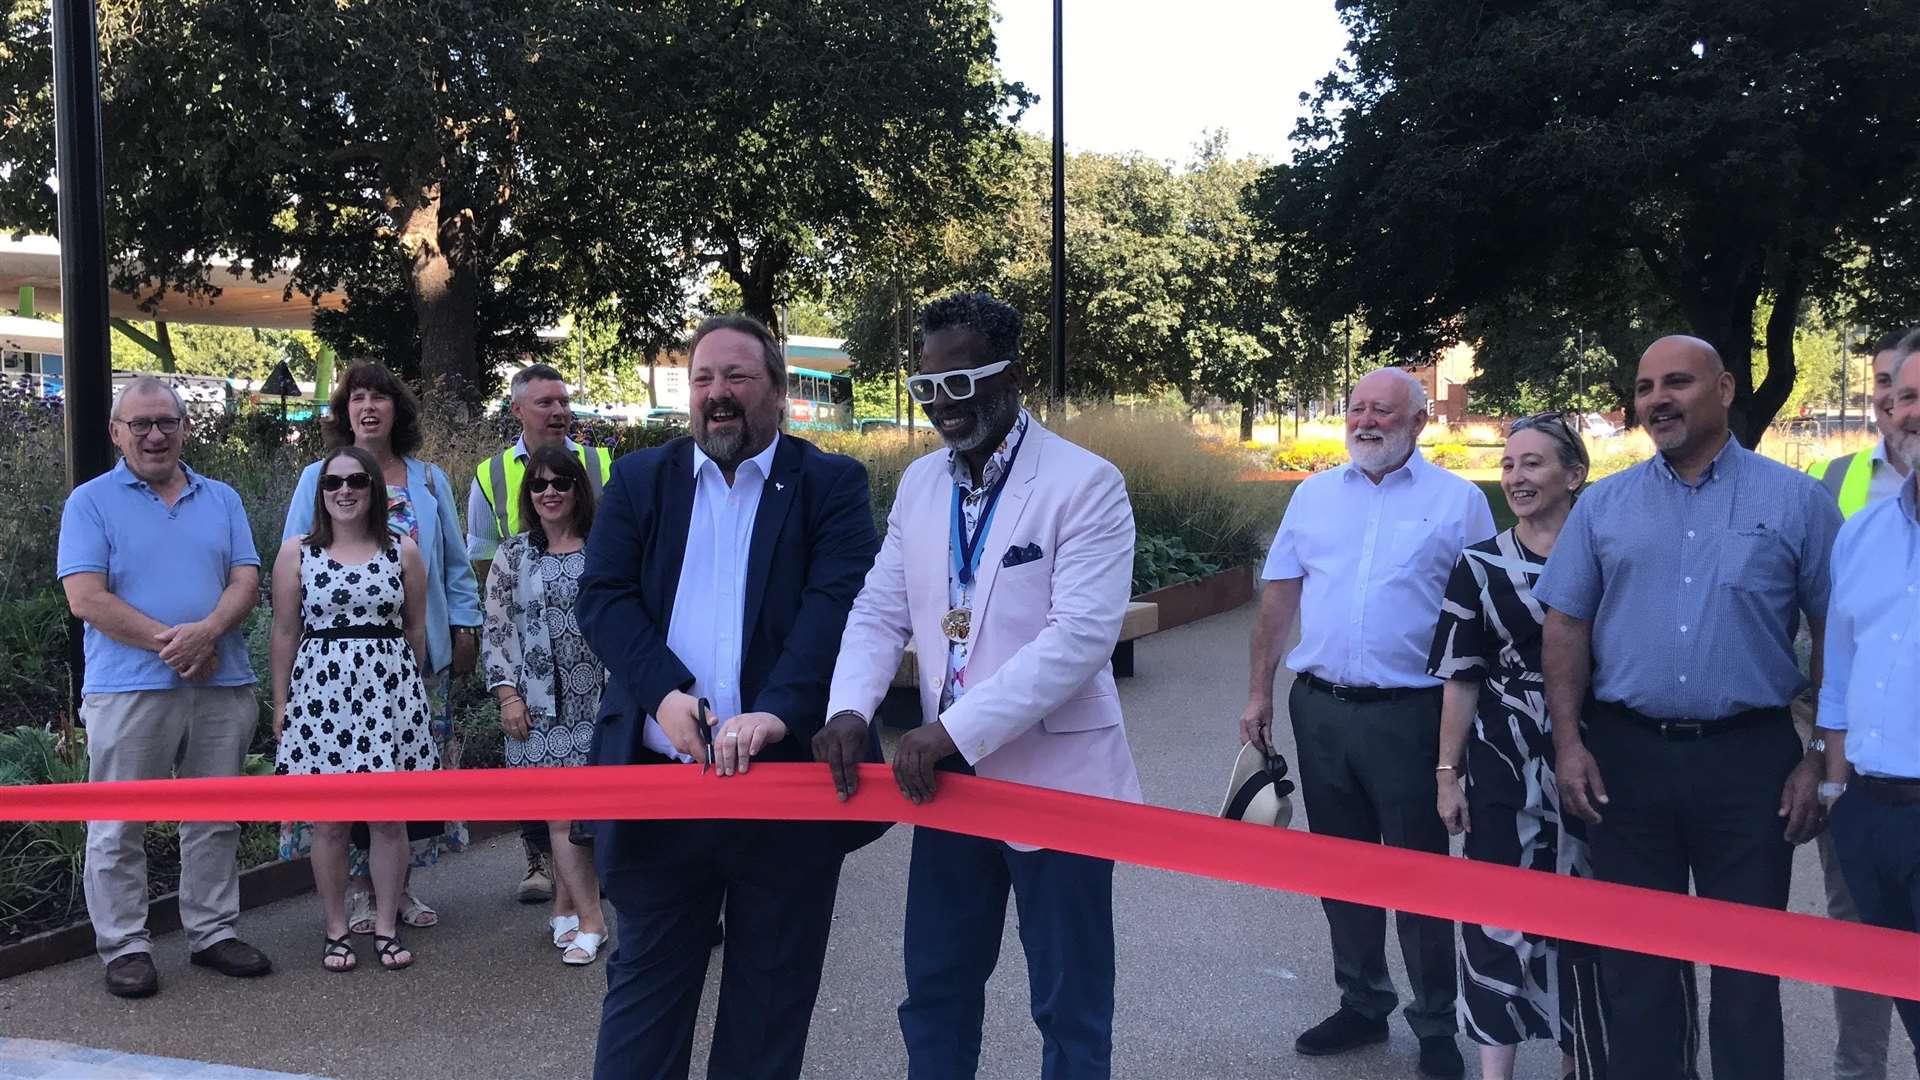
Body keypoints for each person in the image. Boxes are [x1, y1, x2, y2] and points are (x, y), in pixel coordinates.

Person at [819, 292, 1142, 1080]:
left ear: (1013, 375)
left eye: (959, 385)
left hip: (1057, 786)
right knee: (935, 989)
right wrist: (849, 707)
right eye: (926, 388)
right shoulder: (922, 486)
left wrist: (955, 729)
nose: (942, 406)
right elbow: (878, 609)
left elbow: (1079, 641)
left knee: (1069, 1007)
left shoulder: (1086, 484)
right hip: (948, 790)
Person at [576, 313, 881, 1080]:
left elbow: (834, 607)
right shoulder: (641, 479)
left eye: (738, 378)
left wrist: (776, 711)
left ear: (778, 392)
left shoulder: (830, 485)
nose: (718, 394)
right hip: (659, 790)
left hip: (783, 793)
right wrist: (665, 695)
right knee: (644, 998)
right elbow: (604, 598)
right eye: (704, 378)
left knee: (770, 1008)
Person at [1537, 335, 1842, 1080]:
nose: (1657, 400)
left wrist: (1820, 757)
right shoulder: (1605, 504)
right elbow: (1566, 626)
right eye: (1645, 387)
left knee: (1746, 974)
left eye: (1677, 382)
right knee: (1635, 971)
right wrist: (1569, 743)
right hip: (1626, 762)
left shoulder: (1796, 500)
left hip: (1751, 763)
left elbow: (1838, 628)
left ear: (1726, 389)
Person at [1241, 366, 1493, 1079]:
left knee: (1416, 873)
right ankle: (1362, 1001)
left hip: (1411, 715)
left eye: (1385, 410)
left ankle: (1436, 1022)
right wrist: (1258, 694)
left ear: (1420, 421)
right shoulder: (1313, 496)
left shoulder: (1460, 502)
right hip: (1319, 709)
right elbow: (1278, 602)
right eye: (1357, 408)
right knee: (1341, 867)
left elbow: (1477, 617)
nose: (1367, 420)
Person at [56, 376, 274, 998]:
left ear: (185, 426)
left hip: (222, 679)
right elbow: (86, 597)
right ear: (116, 432)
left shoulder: (221, 498)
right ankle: (125, 946)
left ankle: (211, 932)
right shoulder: (90, 503)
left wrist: (207, 634)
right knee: (117, 824)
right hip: (128, 689)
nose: (155, 435)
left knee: (215, 817)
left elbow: (246, 582)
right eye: (141, 424)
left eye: (167, 422)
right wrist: (177, 645)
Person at [1427, 414, 1607, 1080]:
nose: (1516, 477)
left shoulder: (1606, 556)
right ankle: (1495, 1071)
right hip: (1501, 761)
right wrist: (1449, 775)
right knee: (1494, 908)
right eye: (1508, 465)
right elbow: (1461, 678)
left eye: (1533, 464)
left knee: (1585, 909)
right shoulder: (1477, 565)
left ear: (1573, 475)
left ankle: (1575, 1058)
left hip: (1592, 758)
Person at [283, 363, 480, 933]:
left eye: (381, 398)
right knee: (346, 787)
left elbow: (455, 565)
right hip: (334, 667)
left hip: (412, 659)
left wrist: (463, 627)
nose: (369, 407)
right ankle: (360, 899)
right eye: (357, 398)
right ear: (345, 412)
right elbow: (295, 560)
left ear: (398, 411)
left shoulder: (429, 480)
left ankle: (398, 891)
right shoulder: (316, 479)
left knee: (403, 781)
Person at [270, 446, 437, 972]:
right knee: (330, 822)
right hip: (321, 698)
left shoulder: (402, 550)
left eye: (357, 481)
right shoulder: (297, 552)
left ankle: (386, 925)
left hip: (389, 695)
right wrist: (281, 703)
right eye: (333, 482)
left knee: (390, 821)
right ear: (320, 493)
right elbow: (283, 632)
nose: (345, 490)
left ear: (373, 489)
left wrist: (405, 695)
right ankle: (336, 928)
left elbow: (415, 630)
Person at [1801, 326, 1912, 1080]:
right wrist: (1836, 785)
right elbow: (1838, 668)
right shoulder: (1859, 522)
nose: (1906, 410)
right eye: (1901, 395)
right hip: (1870, 807)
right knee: (1869, 953)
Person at [467, 362, 612, 907]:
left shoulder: (599, 462)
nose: (558, 411)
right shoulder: (492, 473)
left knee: (599, 796)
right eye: (545, 402)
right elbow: (480, 556)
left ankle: (581, 901)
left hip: (593, 681)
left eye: (562, 401)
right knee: (549, 797)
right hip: (530, 654)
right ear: (518, 410)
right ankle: (547, 872)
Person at [481, 445, 609, 967]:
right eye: (538, 485)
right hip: (538, 710)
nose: (549, 492)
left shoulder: (604, 550)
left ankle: (565, 906)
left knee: (586, 817)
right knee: (562, 818)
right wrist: (506, 695)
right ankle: (594, 921)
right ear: (527, 495)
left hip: (596, 704)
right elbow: (496, 631)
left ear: (579, 489)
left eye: (561, 482)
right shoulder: (513, 555)